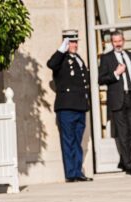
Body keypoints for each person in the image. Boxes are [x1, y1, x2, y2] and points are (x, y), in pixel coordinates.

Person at [97, 31, 131, 176]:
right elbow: (101, 79)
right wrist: (116, 73)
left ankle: (123, 160)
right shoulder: (106, 58)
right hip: (117, 100)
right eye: (115, 41)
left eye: (120, 41)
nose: (118, 43)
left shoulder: (129, 56)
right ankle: (129, 166)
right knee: (123, 133)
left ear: (123, 41)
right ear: (111, 43)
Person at [46, 29, 93, 183]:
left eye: (75, 41)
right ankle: (71, 173)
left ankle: (78, 171)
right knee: (68, 141)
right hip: (66, 108)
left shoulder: (78, 59)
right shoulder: (61, 59)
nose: (74, 44)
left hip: (80, 106)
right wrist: (62, 49)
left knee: (77, 141)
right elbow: (51, 64)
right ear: (65, 43)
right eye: (71, 42)